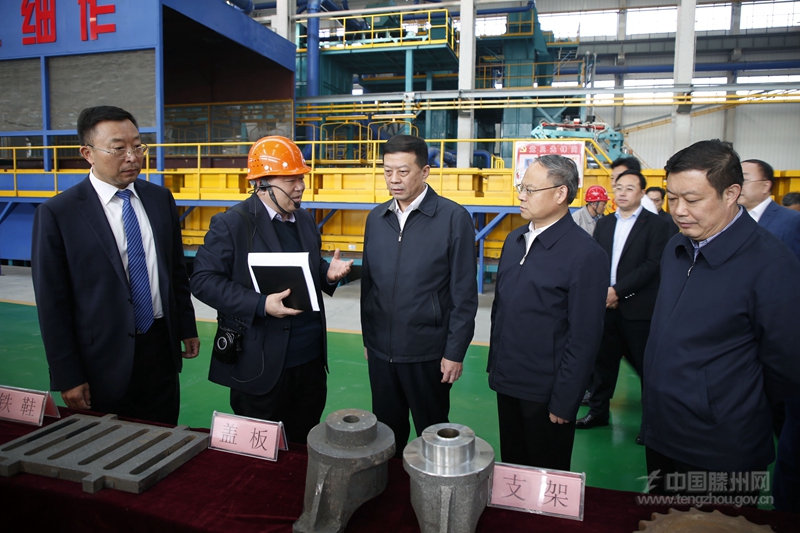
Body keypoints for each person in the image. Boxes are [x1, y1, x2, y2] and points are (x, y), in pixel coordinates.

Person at [642, 139, 800, 498]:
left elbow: (787, 365)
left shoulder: (772, 265)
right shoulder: (677, 246)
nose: (679, 210)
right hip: (663, 432)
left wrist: (722, 398)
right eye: (672, 198)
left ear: (731, 194)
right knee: (661, 517)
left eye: (692, 199)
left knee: (715, 521)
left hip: (721, 446)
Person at [31, 105, 199, 425]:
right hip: (101, 360)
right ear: (88, 153)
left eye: (138, 146)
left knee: (163, 435)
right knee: (105, 442)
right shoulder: (58, 214)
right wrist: (67, 374)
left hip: (160, 349)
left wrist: (186, 327)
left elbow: (175, 271)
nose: (132, 157)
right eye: (118, 149)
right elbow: (53, 303)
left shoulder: (160, 199)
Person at [190, 136, 352, 443]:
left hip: (309, 361)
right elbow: (203, 280)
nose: (300, 187)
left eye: (301, 178)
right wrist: (261, 304)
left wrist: (327, 274)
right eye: (290, 180)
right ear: (261, 184)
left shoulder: (303, 219)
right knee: (261, 450)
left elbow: (305, 268)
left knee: (303, 440)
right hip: (261, 364)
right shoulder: (233, 224)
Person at [488, 155, 608, 470]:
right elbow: (501, 308)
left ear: (560, 194)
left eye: (530, 189)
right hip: (508, 380)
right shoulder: (515, 240)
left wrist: (566, 399)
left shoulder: (585, 255)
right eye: (521, 187)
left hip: (547, 391)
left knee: (545, 474)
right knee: (514, 468)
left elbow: (584, 337)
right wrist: (496, 367)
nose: (521, 195)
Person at [361, 134, 478, 456]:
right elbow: (369, 287)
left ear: (425, 171)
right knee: (386, 434)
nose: (394, 180)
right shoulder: (376, 219)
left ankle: (432, 487)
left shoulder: (453, 219)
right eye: (387, 171)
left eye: (403, 171)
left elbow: (464, 294)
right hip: (381, 353)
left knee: (432, 432)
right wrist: (369, 340)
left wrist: (455, 352)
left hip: (428, 353)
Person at [576, 170, 670, 435]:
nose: (623, 193)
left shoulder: (658, 226)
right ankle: (598, 413)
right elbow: (596, 260)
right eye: (618, 188)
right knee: (602, 364)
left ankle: (651, 424)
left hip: (638, 310)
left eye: (630, 188)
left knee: (646, 368)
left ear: (641, 193)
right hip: (607, 308)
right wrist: (603, 293)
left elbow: (652, 266)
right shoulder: (605, 224)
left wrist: (617, 291)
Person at [739, 159, 800, 261]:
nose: (736, 186)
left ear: (765, 186)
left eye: (744, 180)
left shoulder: (792, 221)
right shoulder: (727, 217)